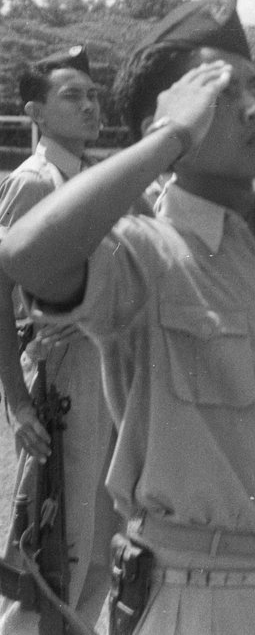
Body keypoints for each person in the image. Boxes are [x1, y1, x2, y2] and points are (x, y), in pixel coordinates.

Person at [0, 0, 255, 635]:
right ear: (169, 118)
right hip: (192, 592)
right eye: (221, 95)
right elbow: (25, 256)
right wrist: (168, 139)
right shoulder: (144, 251)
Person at [0, 44, 118, 633]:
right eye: (72, 96)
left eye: (93, 95)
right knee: (52, 552)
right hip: (61, 374)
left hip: (106, 368)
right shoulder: (35, 182)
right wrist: (18, 402)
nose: (89, 105)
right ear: (35, 113)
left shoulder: (94, 178)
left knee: (98, 551)